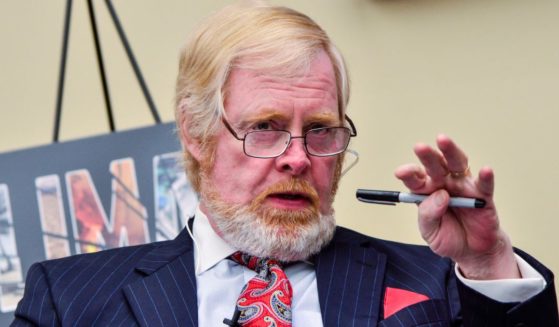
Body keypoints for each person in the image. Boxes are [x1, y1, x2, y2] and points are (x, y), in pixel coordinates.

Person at [12, 2, 559, 326]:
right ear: (196, 134)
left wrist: (487, 263)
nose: (297, 158)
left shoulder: (441, 284)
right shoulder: (70, 299)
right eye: (265, 128)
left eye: (321, 130)